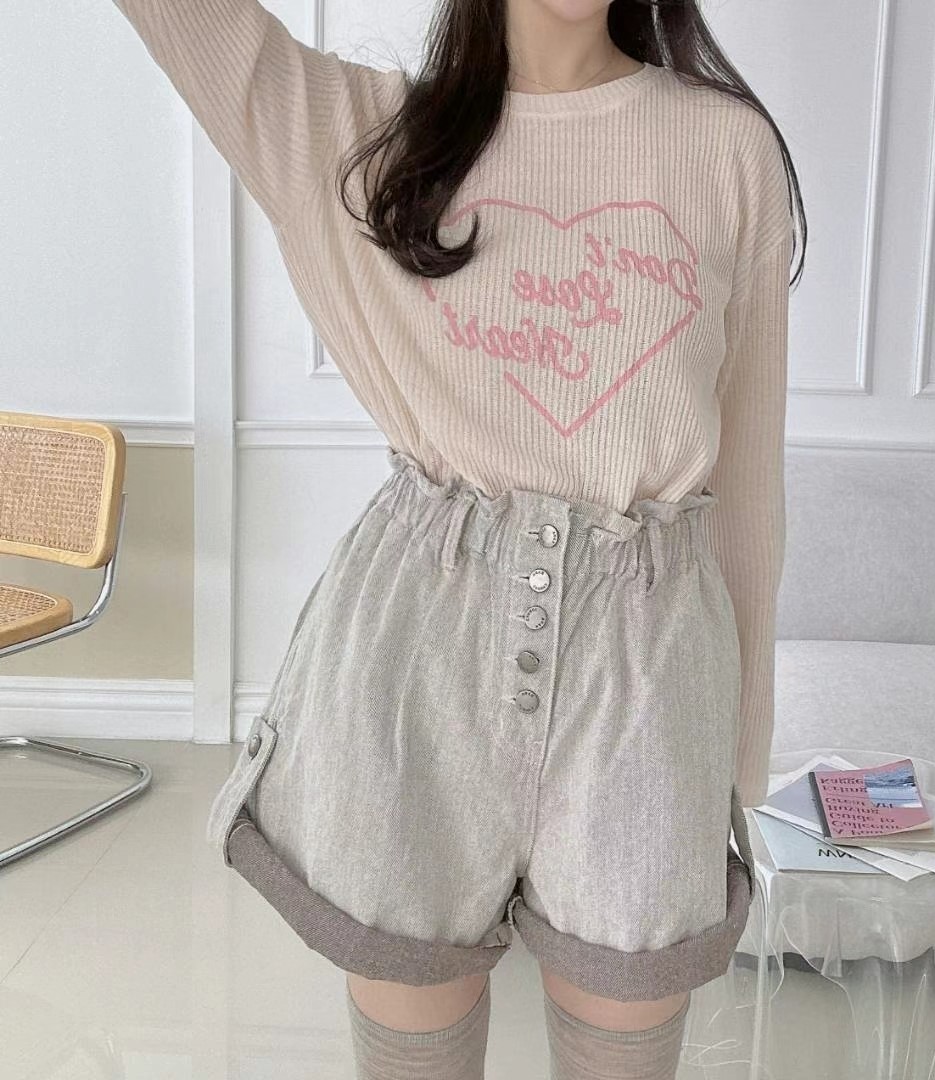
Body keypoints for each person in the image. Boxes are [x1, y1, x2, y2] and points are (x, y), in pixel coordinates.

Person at [110, 1, 806, 1076]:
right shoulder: (356, 135)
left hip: (649, 667)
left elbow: (747, 473)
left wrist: (739, 747)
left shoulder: (726, 147)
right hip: (418, 659)